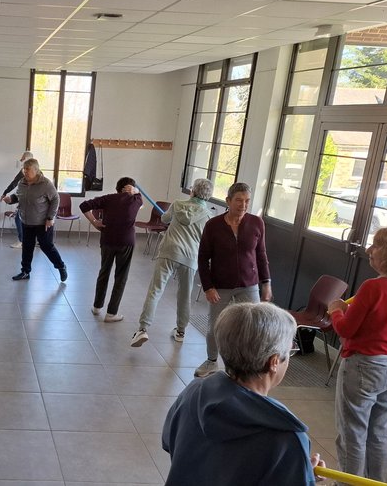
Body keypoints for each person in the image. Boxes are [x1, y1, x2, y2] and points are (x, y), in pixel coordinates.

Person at [162, 302, 324, 486]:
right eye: (289, 352)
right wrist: (303, 473)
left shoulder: (193, 393)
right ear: (274, 362)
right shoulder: (288, 439)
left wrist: (300, 469)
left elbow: (171, 443)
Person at [327, 227, 387, 482]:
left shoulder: (373, 287)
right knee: (379, 433)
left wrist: (336, 309)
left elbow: (345, 329)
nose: (369, 250)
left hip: (366, 368)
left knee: (352, 435)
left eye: (377, 246)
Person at [195, 182, 271, 378]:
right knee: (215, 327)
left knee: (252, 326)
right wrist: (208, 287)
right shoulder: (213, 225)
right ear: (228, 201)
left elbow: (261, 255)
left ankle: (246, 366)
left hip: (249, 284)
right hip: (220, 285)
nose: (243, 205)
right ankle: (212, 361)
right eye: (238, 200)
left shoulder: (256, 223)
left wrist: (266, 283)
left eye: (247, 201)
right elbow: (202, 258)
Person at [131, 178, 213, 346]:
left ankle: (142, 329)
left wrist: (169, 215)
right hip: (190, 257)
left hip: (169, 252)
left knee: (155, 290)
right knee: (185, 295)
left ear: (192, 191)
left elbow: (164, 219)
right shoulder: (209, 217)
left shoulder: (177, 204)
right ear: (208, 196)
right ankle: (181, 331)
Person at [78, 177, 143, 322]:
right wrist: (135, 191)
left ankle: (97, 307)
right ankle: (111, 313)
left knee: (104, 272)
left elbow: (84, 205)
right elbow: (140, 196)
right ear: (132, 189)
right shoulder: (136, 200)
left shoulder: (108, 198)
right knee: (121, 277)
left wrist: (94, 222)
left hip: (107, 240)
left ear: (117, 188)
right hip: (126, 242)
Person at [3, 158, 67, 282]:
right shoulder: (22, 183)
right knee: (27, 247)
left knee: (46, 246)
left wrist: (50, 218)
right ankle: (25, 271)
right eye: (24, 169)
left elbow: (55, 199)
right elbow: (19, 196)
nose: (25, 171)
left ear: (36, 170)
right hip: (26, 222)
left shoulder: (46, 184)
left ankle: (61, 266)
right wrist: (10, 199)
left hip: (43, 223)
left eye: (28, 169)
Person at [0, 150, 33, 249]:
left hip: (34, 202)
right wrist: (5, 193)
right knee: (19, 218)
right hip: (24, 200)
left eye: (23, 158)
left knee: (20, 219)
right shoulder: (23, 171)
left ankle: (23, 241)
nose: (21, 160)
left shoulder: (35, 172)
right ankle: (24, 241)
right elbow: (15, 183)